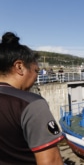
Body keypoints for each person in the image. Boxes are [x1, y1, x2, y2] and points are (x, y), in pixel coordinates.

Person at [0, 32, 64, 164]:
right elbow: (51, 162)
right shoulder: (31, 104)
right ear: (19, 67)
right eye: (36, 71)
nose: (36, 77)